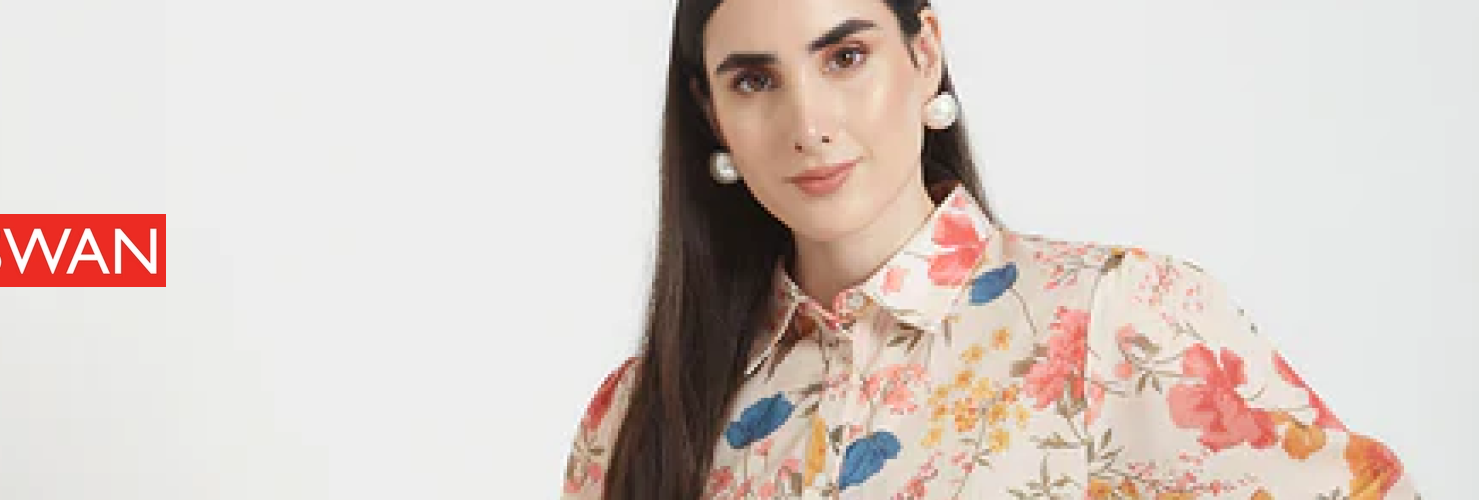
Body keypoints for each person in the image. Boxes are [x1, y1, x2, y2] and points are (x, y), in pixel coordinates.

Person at [556, 0, 1420, 498]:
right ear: (711, 114)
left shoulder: (1113, 319)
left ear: (924, 54)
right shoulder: (638, 413)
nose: (808, 124)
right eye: (754, 81)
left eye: (846, 57)